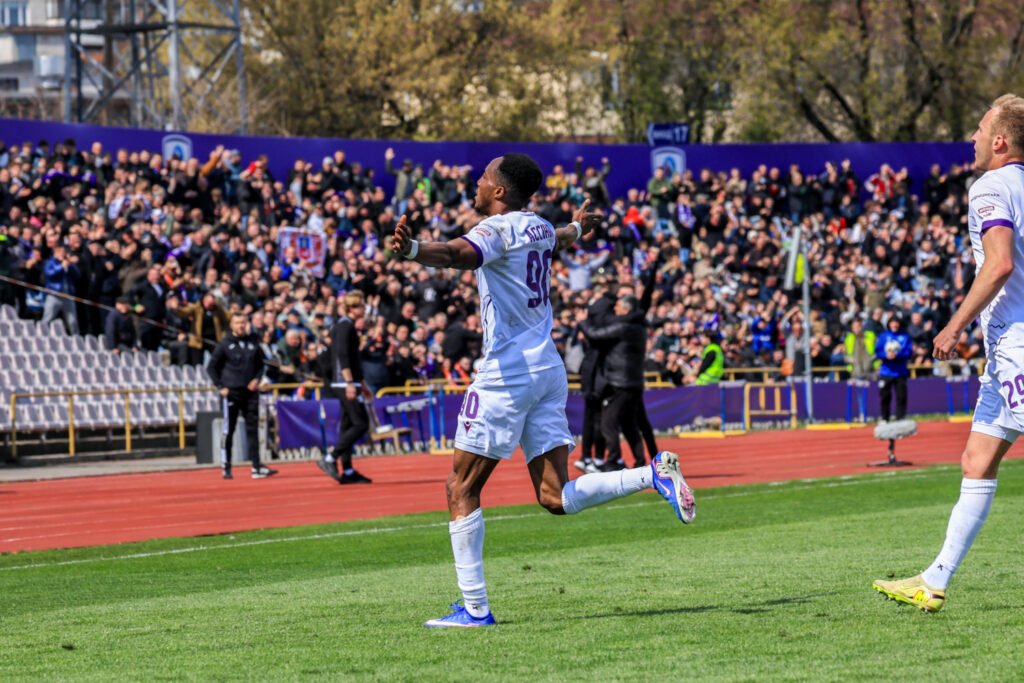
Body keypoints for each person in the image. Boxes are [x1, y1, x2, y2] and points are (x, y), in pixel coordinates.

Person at [390, 153, 696, 628]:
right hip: (548, 370)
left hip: (507, 374)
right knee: (554, 496)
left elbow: (454, 255)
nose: (476, 182)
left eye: (484, 177)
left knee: (460, 487)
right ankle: (650, 474)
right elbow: (563, 235)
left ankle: (475, 609)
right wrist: (578, 226)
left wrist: (412, 249)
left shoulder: (496, 229)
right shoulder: (539, 227)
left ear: (499, 191)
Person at [873, 94, 1024, 612]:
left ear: (999, 141)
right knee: (976, 461)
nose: (973, 138)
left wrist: (954, 325)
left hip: (1018, 343)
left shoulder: (991, 187)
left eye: (980, 129)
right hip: (1004, 350)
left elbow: (999, 263)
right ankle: (934, 580)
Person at [207, 313, 278, 480]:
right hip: (232, 392)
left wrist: (256, 379)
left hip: (250, 392)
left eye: (243, 322)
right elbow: (211, 367)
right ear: (231, 325)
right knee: (229, 429)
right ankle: (226, 466)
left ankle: (256, 466)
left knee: (253, 429)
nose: (240, 326)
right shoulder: (225, 343)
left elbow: (261, 364)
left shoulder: (253, 341)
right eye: (237, 323)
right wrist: (220, 386)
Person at [317, 291, 373, 485]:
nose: (364, 309)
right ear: (352, 308)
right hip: (344, 382)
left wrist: (361, 383)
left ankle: (347, 470)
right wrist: (350, 383)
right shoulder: (344, 325)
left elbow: (353, 359)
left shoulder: (348, 325)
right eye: (361, 306)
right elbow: (342, 355)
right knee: (361, 423)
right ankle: (330, 458)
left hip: (350, 381)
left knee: (348, 425)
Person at [875, 313, 912, 421]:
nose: (894, 325)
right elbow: (877, 352)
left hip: (901, 372)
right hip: (886, 372)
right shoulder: (883, 336)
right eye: (892, 323)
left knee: (901, 397)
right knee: (885, 397)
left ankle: (900, 419)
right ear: (889, 324)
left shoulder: (905, 336)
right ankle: (884, 419)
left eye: (896, 323)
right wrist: (886, 356)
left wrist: (897, 355)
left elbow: (909, 352)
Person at [41, 243, 80, 334]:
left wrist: (70, 265)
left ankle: (75, 337)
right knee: (48, 318)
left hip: (67, 295)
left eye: (63, 252)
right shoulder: (50, 262)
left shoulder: (68, 263)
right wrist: (61, 267)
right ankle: (42, 334)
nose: (62, 254)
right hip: (54, 294)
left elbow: (77, 275)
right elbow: (50, 274)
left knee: (72, 321)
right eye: (59, 252)